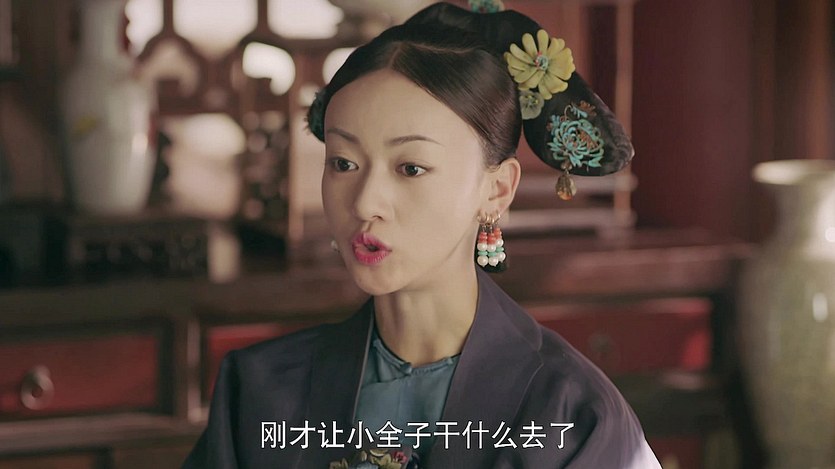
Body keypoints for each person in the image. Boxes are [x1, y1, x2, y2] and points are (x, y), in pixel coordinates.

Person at [183, 2, 661, 468]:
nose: (364, 202)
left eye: (410, 168)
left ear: (496, 189)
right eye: (344, 163)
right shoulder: (261, 392)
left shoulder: (573, 417)